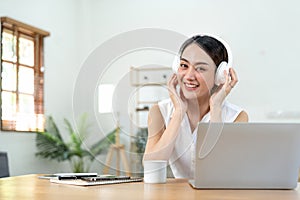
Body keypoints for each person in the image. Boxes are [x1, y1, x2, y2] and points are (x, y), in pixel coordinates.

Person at [143, 34, 249, 178]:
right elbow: (152, 170)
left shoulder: (237, 117)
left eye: (200, 68)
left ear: (220, 76)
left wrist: (216, 109)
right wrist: (179, 112)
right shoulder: (160, 112)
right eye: (184, 66)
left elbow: (223, 172)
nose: (189, 76)